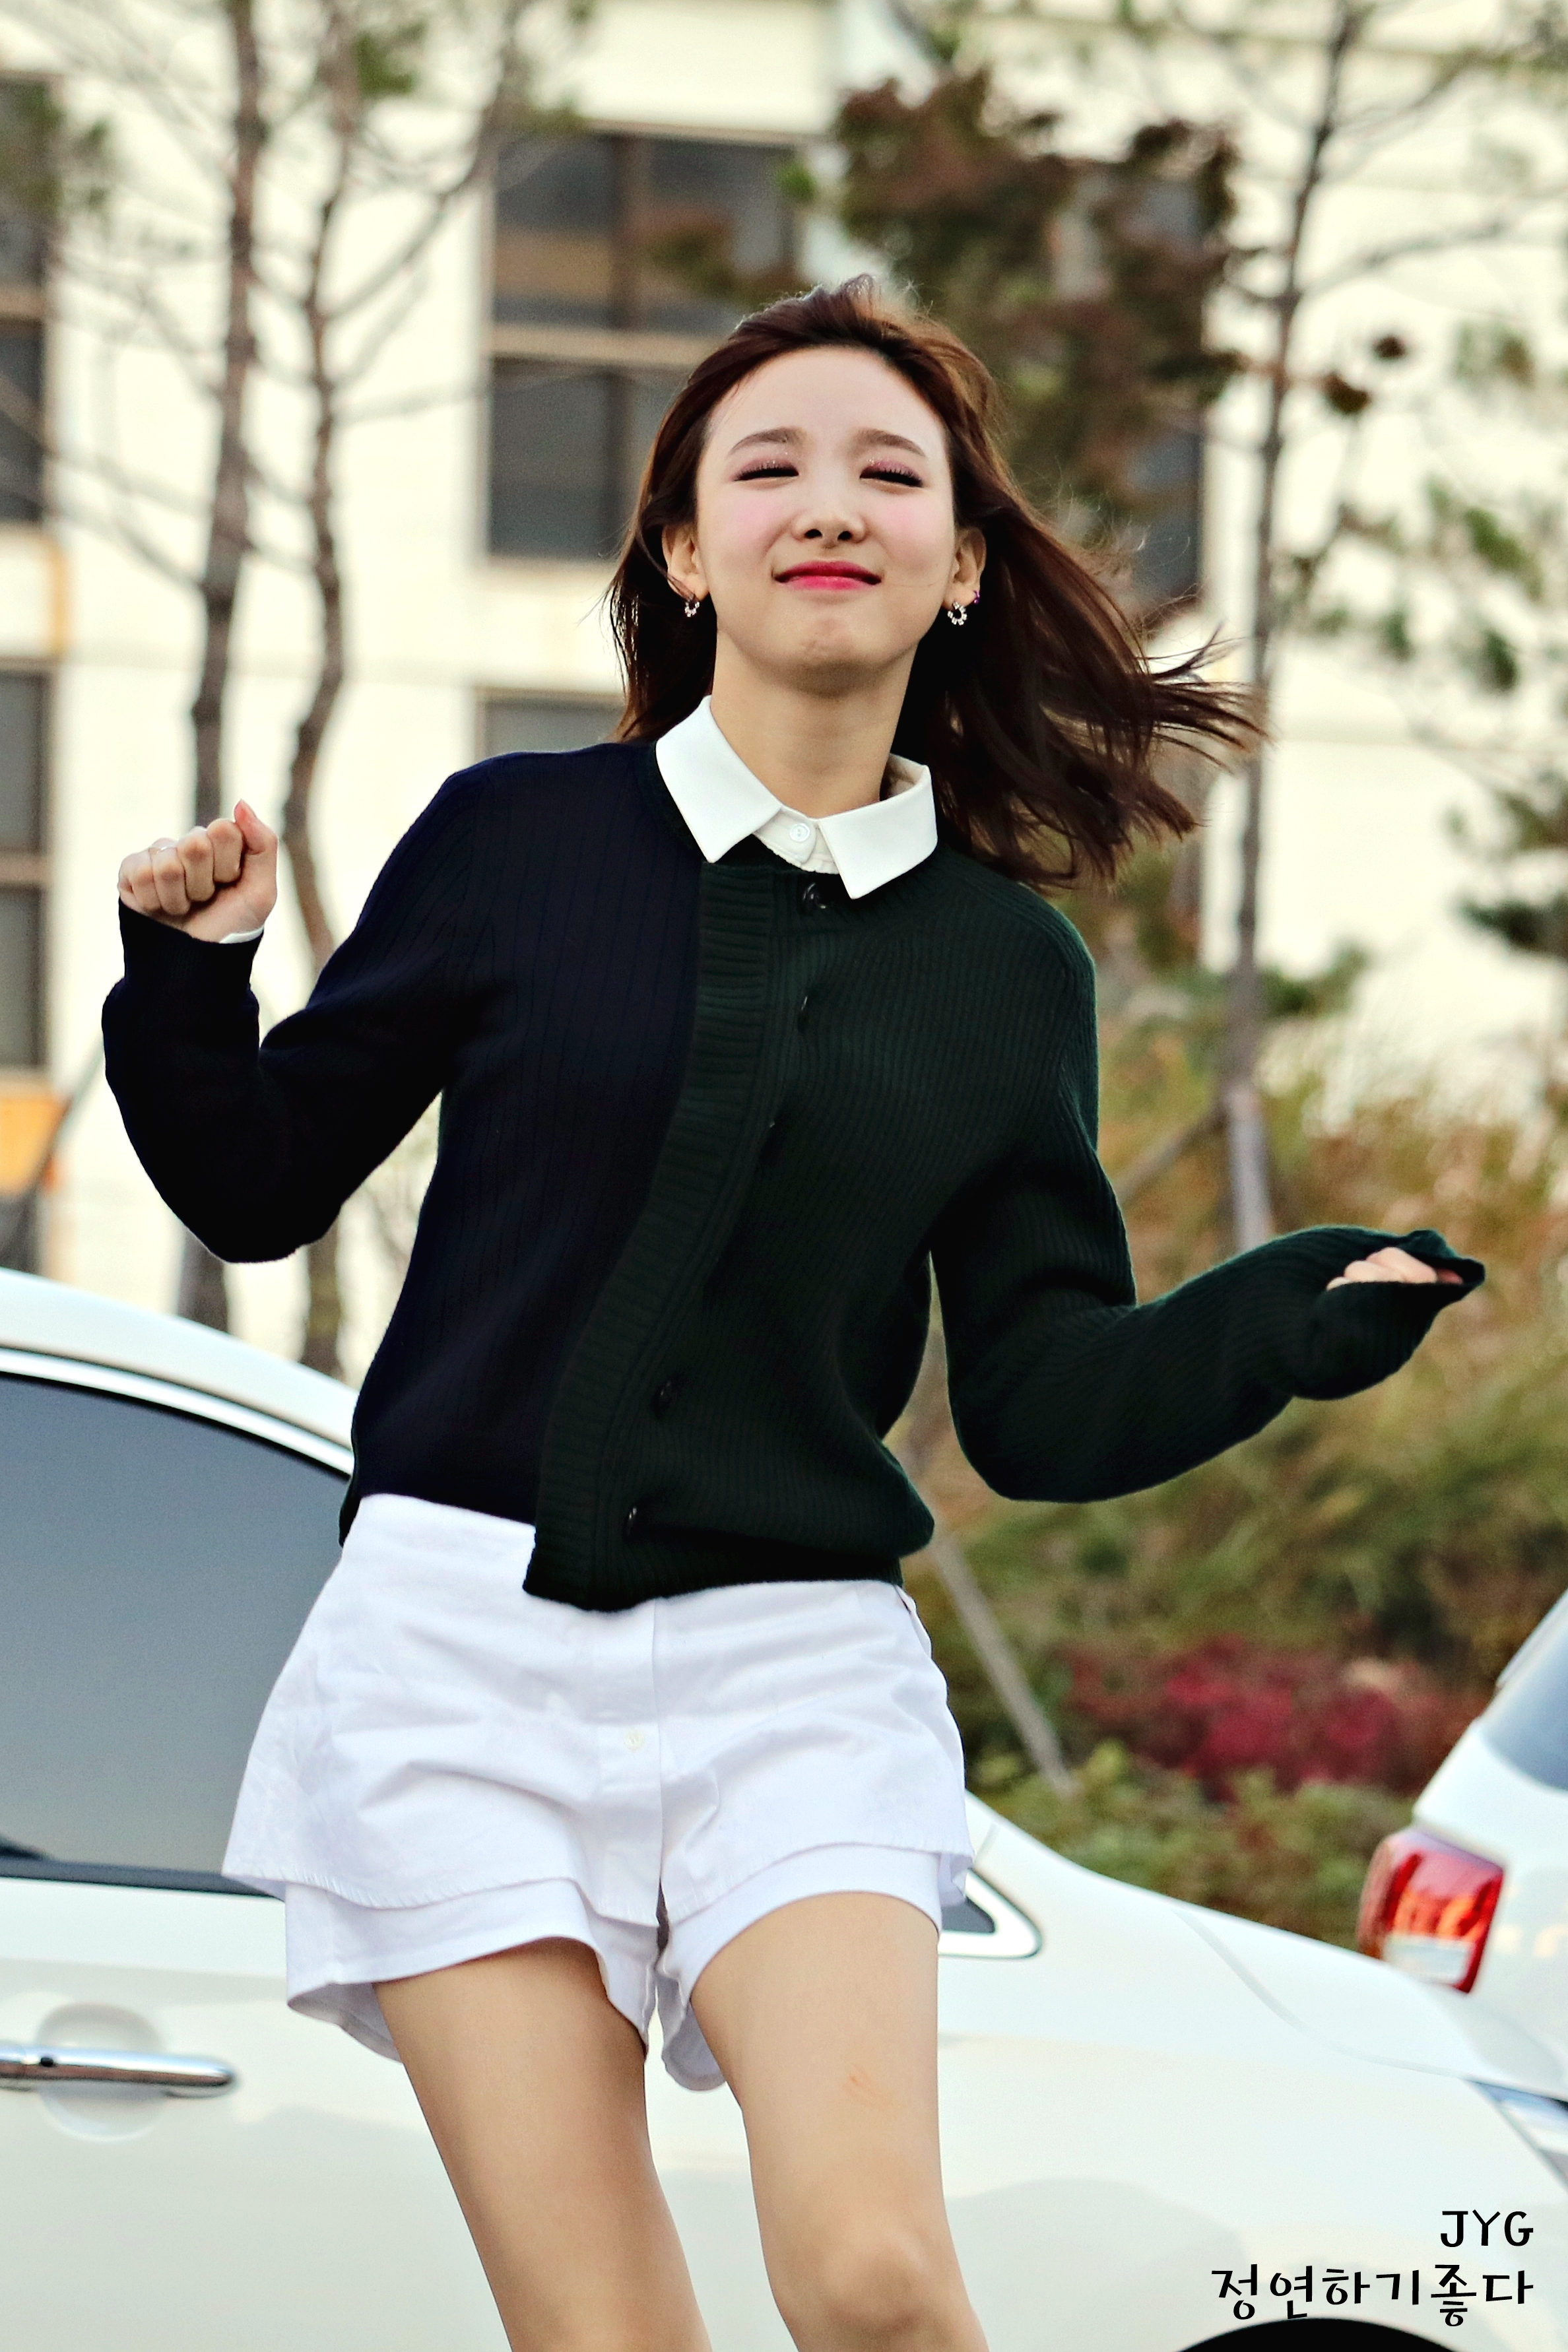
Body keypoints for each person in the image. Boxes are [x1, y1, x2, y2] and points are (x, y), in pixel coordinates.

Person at [104, 278, 1480, 2352]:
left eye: (885, 473)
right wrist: (195, 975)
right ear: (685, 550)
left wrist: (1287, 1314)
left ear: (962, 562)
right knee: (608, 2337)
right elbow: (258, 1180)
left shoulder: (1005, 969)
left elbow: (1040, 1399)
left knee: (878, 2283)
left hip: (795, 1671)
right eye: (768, 467)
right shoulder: (513, 840)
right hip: (455, 1659)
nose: (827, 503)